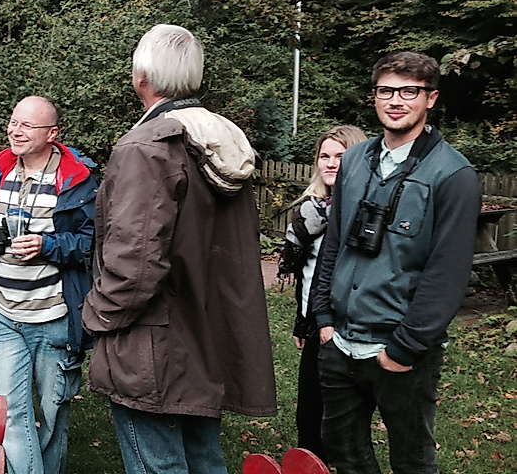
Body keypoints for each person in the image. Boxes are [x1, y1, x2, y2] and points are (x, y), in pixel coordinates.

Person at [82, 24, 277, 474]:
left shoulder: (148, 146)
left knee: (159, 466)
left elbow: (134, 261)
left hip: (150, 341)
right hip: (202, 334)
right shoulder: (222, 140)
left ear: (142, 77)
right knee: (204, 460)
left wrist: (97, 315)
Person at [311, 51, 480, 474]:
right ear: (374, 97)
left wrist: (404, 348)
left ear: (432, 98)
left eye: (410, 91)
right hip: (341, 341)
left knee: (412, 459)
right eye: (386, 90)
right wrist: (323, 317)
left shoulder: (453, 176)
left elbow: (448, 272)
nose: (396, 100)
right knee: (343, 451)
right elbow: (334, 243)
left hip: (399, 350)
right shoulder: (354, 161)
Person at [0, 96, 98, 474]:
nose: (15, 130)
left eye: (27, 125)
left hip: (52, 317)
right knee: (11, 416)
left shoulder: (77, 179)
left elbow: (92, 240)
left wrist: (48, 246)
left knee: (51, 415)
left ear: (52, 134)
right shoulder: (0, 171)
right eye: (13, 122)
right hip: (3, 313)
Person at [280, 125, 367, 461]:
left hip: (353, 320)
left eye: (341, 157)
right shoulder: (309, 211)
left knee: (345, 414)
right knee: (309, 411)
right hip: (317, 319)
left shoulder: (363, 212)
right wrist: (303, 323)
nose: (331, 164)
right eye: (324, 156)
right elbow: (306, 273)